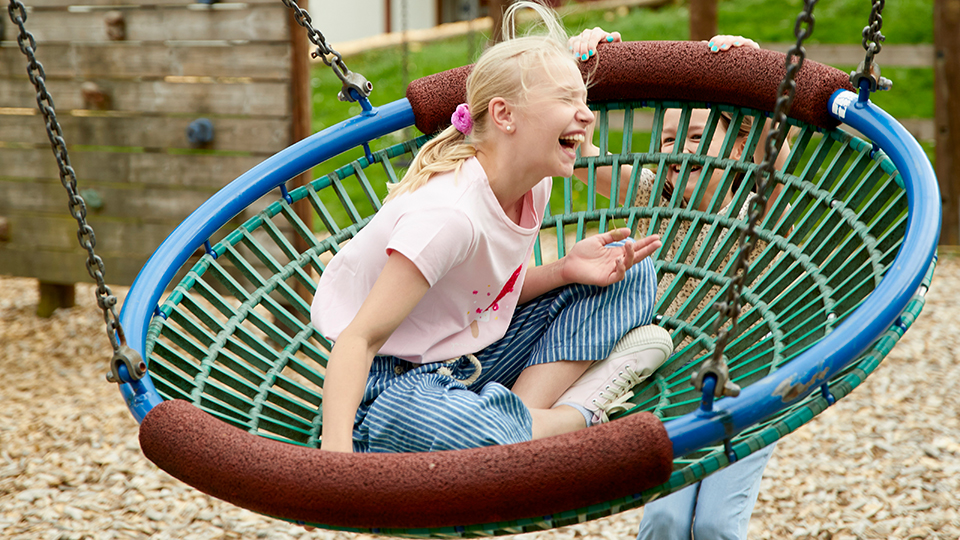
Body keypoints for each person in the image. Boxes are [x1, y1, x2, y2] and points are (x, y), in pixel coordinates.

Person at [310, 1, 675, 455]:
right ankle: (573, 414)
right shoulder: (448, 215)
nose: (586, 115)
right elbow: (359, 340)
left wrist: (564, 271)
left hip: (473, 355)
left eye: (584, 100)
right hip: (391, 383)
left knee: (632, 274)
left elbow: (479, 299)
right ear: (504, 115)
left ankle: (513, 420)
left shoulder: (535, 181)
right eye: (566, 99)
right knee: (461, 432)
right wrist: (336, 454)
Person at [569, 30, 784, 540]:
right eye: (669, 139)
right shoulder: (653, 195)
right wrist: (579, 66)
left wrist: (750, 69)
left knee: (714, 526)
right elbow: (576, 150)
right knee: (665, 519)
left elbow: (779, 127)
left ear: (737, 145)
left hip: (746, 378)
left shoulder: (757, 205)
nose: (681, 149)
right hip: (674, 384)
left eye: (695, 136)